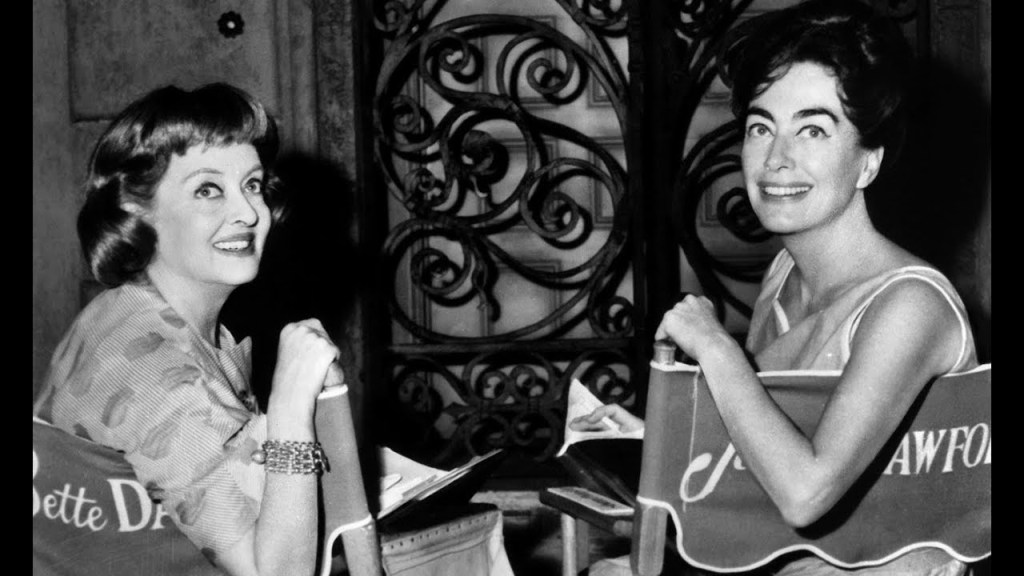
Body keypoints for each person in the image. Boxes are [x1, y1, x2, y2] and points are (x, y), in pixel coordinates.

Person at [571, 0, 978, 574]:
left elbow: (806, 493)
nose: (777, 159)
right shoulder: (785, 274)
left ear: (868, 162)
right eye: (762, 127)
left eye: (813, 130)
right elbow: (765, 434)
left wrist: (716, 348)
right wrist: (654, 439)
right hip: (792, 557)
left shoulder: (910, 305)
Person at [33, 83, 342, 575]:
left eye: (252, 185)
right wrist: (288, 408)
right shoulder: (152, 369)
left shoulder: (129, 310)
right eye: (207, 190)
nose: (248, 213)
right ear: (138, 212)